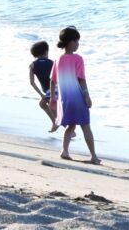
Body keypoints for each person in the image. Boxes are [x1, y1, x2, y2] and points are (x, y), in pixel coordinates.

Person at [49, 26, 99, 164]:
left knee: (71, 125)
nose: (78, 44)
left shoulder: (57, 59)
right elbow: (81, 79)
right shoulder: (78, 59)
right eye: (76, 41)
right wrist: (87, 96)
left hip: (64, 99)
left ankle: (64, 151)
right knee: (85, 126)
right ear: (70, 42)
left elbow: (52, 81)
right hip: (77, 97)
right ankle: (93, 156)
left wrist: (53, 98)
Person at [28, 40, 59, 132]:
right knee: (43, 104)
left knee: (51, 108)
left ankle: (66, 128)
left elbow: (32, 82)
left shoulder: (33, 65)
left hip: (49, 91)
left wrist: (41, 94)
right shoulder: (52, 63)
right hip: (56, 89)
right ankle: (56, 123)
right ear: (46, 52)